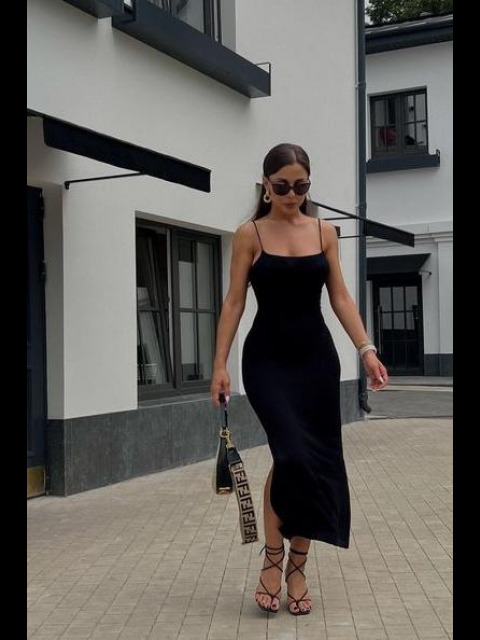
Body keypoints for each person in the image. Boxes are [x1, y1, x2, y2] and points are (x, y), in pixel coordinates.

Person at [210, 143, 388, 616]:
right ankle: (273, 558)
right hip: (267, 362)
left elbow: (341, 297)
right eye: (283, 186)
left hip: (316, 363)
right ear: (266, 185)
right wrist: (220, 364)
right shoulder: (248, 234)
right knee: (290, 455)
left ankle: (298, 567)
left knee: (313, 463)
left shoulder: (325, 232)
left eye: (301, 185)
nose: (292, 194)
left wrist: (366, 350)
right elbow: (233, 302)